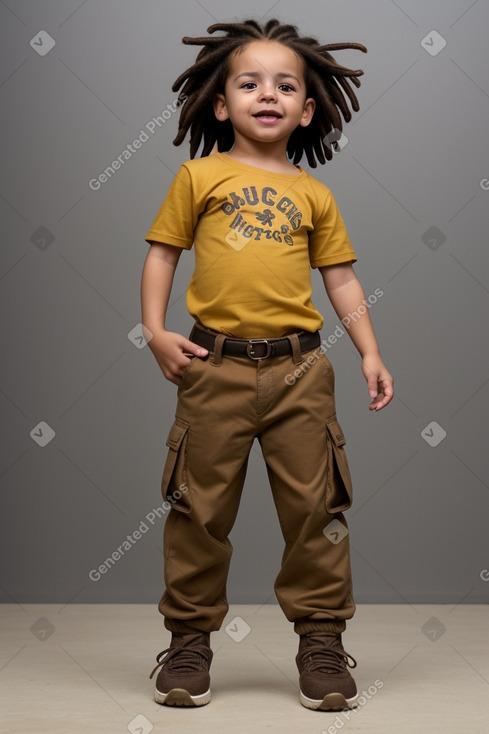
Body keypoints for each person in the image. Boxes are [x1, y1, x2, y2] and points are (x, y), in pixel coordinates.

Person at [142, 18, 393, 711]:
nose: (267, 94)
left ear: (307, 110)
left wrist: (369, 349)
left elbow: (341, 279)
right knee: (198, 510)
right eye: (248, 83)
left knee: (317, 510)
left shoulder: (315, 194)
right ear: (220, 104)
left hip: (300, 375)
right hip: (212, 369)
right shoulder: (198, 176)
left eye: (285, 85)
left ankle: (321, 643)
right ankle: (188, 643)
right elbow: (163, 252)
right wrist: (156, 331)